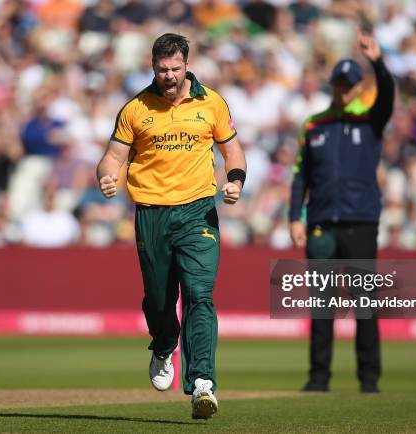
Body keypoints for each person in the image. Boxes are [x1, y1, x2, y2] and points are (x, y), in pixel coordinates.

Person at [96, 33, 246, 419]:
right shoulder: (135, 109)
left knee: (200, 293)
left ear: (186, 64)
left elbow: (232, 149)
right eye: (162, 69)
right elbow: (113, 156)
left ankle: (203, 384)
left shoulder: (211, 102)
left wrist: (236, 179)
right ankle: (164, 344)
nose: (169, 75)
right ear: (153, 67)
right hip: (152, 213)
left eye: (175, 68)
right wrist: (107, 176)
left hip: (198, 212)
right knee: (160, 299)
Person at [288, 30, 395, 394]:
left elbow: (388, 96)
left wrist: (377, 61)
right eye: (339, 83)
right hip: (320, 225)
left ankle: (369, 380)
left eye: (349, 84)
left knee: (365, 306)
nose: (343, 90)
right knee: (321, 307)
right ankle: (318, 379)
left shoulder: (370, 120)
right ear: (332, 84)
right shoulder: (315, 124)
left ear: (358, 86)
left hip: (361, 223)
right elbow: (300, 175)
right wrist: (294, 217)